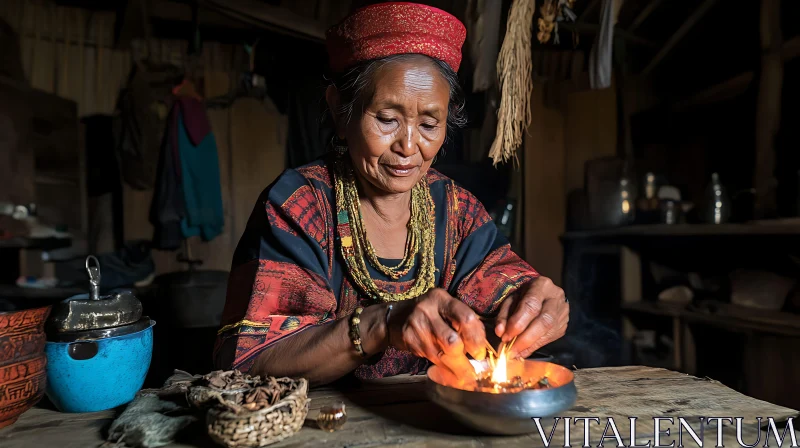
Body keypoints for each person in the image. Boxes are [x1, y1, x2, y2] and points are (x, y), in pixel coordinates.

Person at [214, 2, 569, 386]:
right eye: (387, 119)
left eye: (430, 123)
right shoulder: (299, 206)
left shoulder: (456, 210)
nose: (409, 145)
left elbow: (507, 288)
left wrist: (537, 305)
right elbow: (250, 361)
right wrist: (382, 323)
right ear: (339, 109)